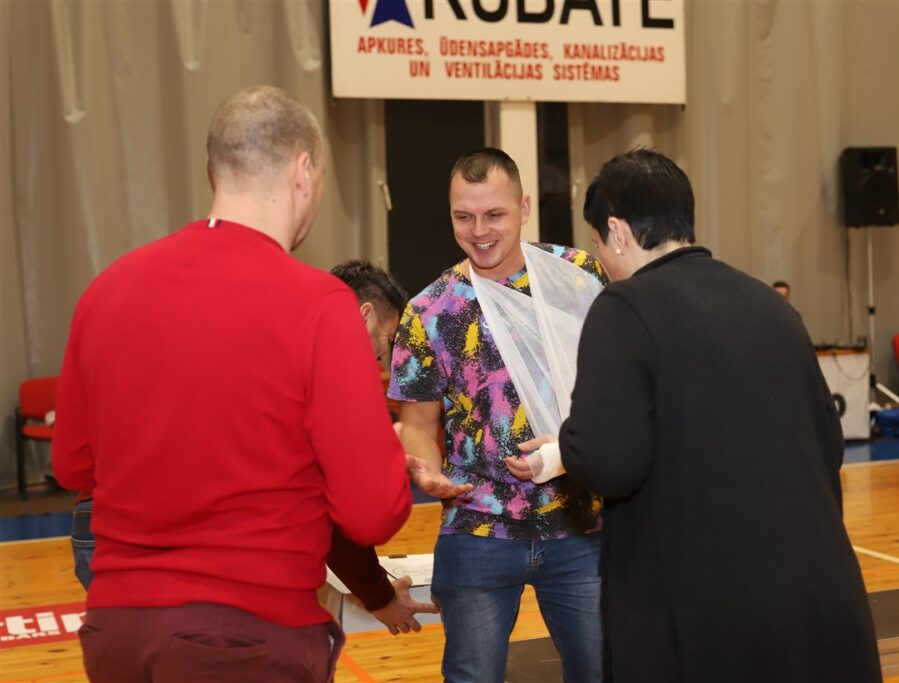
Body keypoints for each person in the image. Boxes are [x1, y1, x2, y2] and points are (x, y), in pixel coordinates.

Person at [51, 85, 411, 683]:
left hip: (119, 632)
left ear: (212, 170)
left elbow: (73, 468)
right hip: (246, 634)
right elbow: (372, 513)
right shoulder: (320, 306)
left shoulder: (106, 290)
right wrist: (389, 452)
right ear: (303, 172)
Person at [558, 150, 882, 682]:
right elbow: (829, 447)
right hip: (818, 599)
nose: (601, 261)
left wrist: (567, 445)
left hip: (709, 615)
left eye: (596, 242)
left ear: (617, 231)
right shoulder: (771, 305)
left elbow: (610, 462)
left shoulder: (624, 308)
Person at [389, 148, 606, 683]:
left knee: (604, 671)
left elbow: (618, 388)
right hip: (477, 525)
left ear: (524, 208)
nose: (479, 231)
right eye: (464, 217)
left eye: (494, 215)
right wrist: (425, 468)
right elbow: (418, 423)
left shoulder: (578, 277)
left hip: (581, 522)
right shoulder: (430, 310)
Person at [324, 260, 438, 635]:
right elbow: (347, 515)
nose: (381, 361)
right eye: (386, 342)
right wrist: (380, 597)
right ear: (365, 315)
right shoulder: (327, 387)